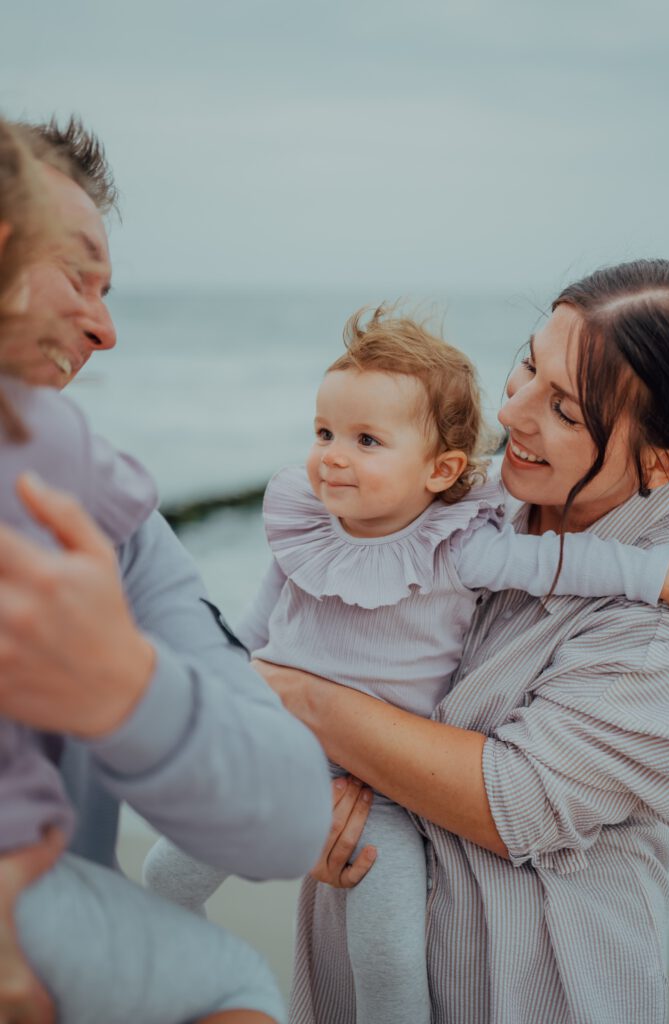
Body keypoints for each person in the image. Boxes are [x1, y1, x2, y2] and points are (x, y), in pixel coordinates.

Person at [145, 305, 669, 1024]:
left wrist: (295, 702)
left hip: (527, 994)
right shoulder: (466, 497)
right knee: (169, 870)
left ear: (658, 459)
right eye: (526, 364)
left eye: (562, 407)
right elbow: (252, 632)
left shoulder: (644, 635)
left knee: (385, 950)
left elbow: (514, 800)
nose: (511, 411)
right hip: (328, 828)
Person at [0, 117, 331, 1021]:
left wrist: (125, 689)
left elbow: (293, 813)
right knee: (232, 986)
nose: (106, 329)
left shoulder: (123, 538)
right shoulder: (84, 494)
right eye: (78, 277)